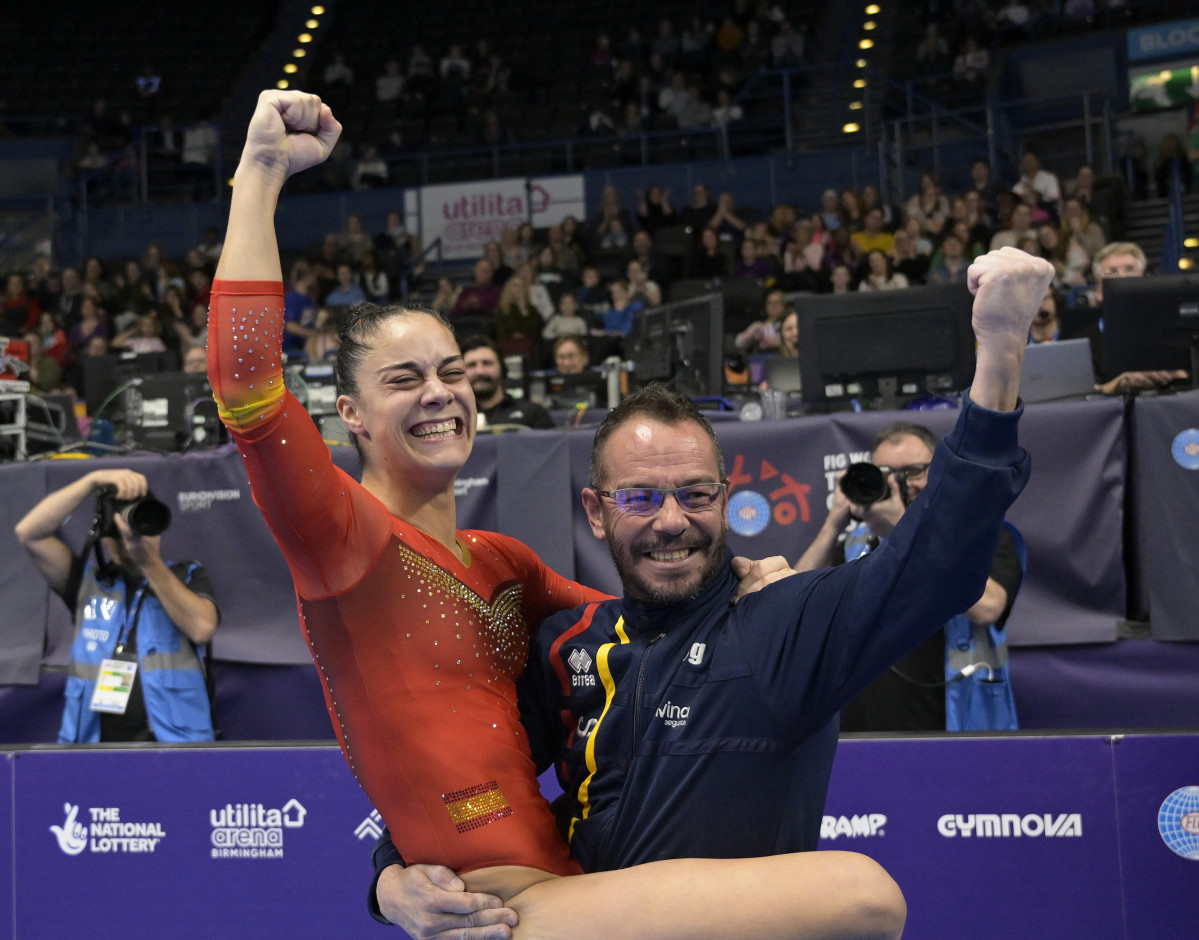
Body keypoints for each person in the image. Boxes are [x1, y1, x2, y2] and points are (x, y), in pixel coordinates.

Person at [211, 90, 903, 940]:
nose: (439, 394)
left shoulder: (501, 563)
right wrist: (259, 176)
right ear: (349, 414)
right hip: (513, 910)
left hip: (571, 883)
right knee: (862, 895)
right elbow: (247, 387)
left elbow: (656, 616)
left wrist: (753, 578)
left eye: (452, 371)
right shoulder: (340, 539)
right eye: (403, 380)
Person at [377, 243, 1053, 936]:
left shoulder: (783, 621)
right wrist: (391, 877)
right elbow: (461, 770)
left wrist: (999, 348)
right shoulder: (566, 644)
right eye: (639, 497)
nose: (671, 521)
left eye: (694, 494)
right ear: (595, 510)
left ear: (725, 500)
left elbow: (936, 563)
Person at [795, 422, 1023, 731]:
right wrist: (834, 522)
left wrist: (899, 528)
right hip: (860, 731)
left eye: (914, 471)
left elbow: (988, 607)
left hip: (954, 726)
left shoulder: (978, 534)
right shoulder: (858, 541)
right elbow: (792, 603)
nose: (900, 482)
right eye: (886, 471)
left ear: (939, 471)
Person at [14, 469, 218, 743]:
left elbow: (202, 628)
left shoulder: (187, 576)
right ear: (106, 535)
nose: (132, 534)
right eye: (121, 526)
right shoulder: (89, 583)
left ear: (157, 531)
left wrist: (148, 562)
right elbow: (29, 533)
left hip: (176, 748)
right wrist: (93, 480)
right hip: (91, 751)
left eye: (143, 523)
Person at [460, 335, 553, 429]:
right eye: (471, 365)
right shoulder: (456, 419)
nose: (480, 371)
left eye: (487, 363)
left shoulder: (533, 413)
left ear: (503, 369)